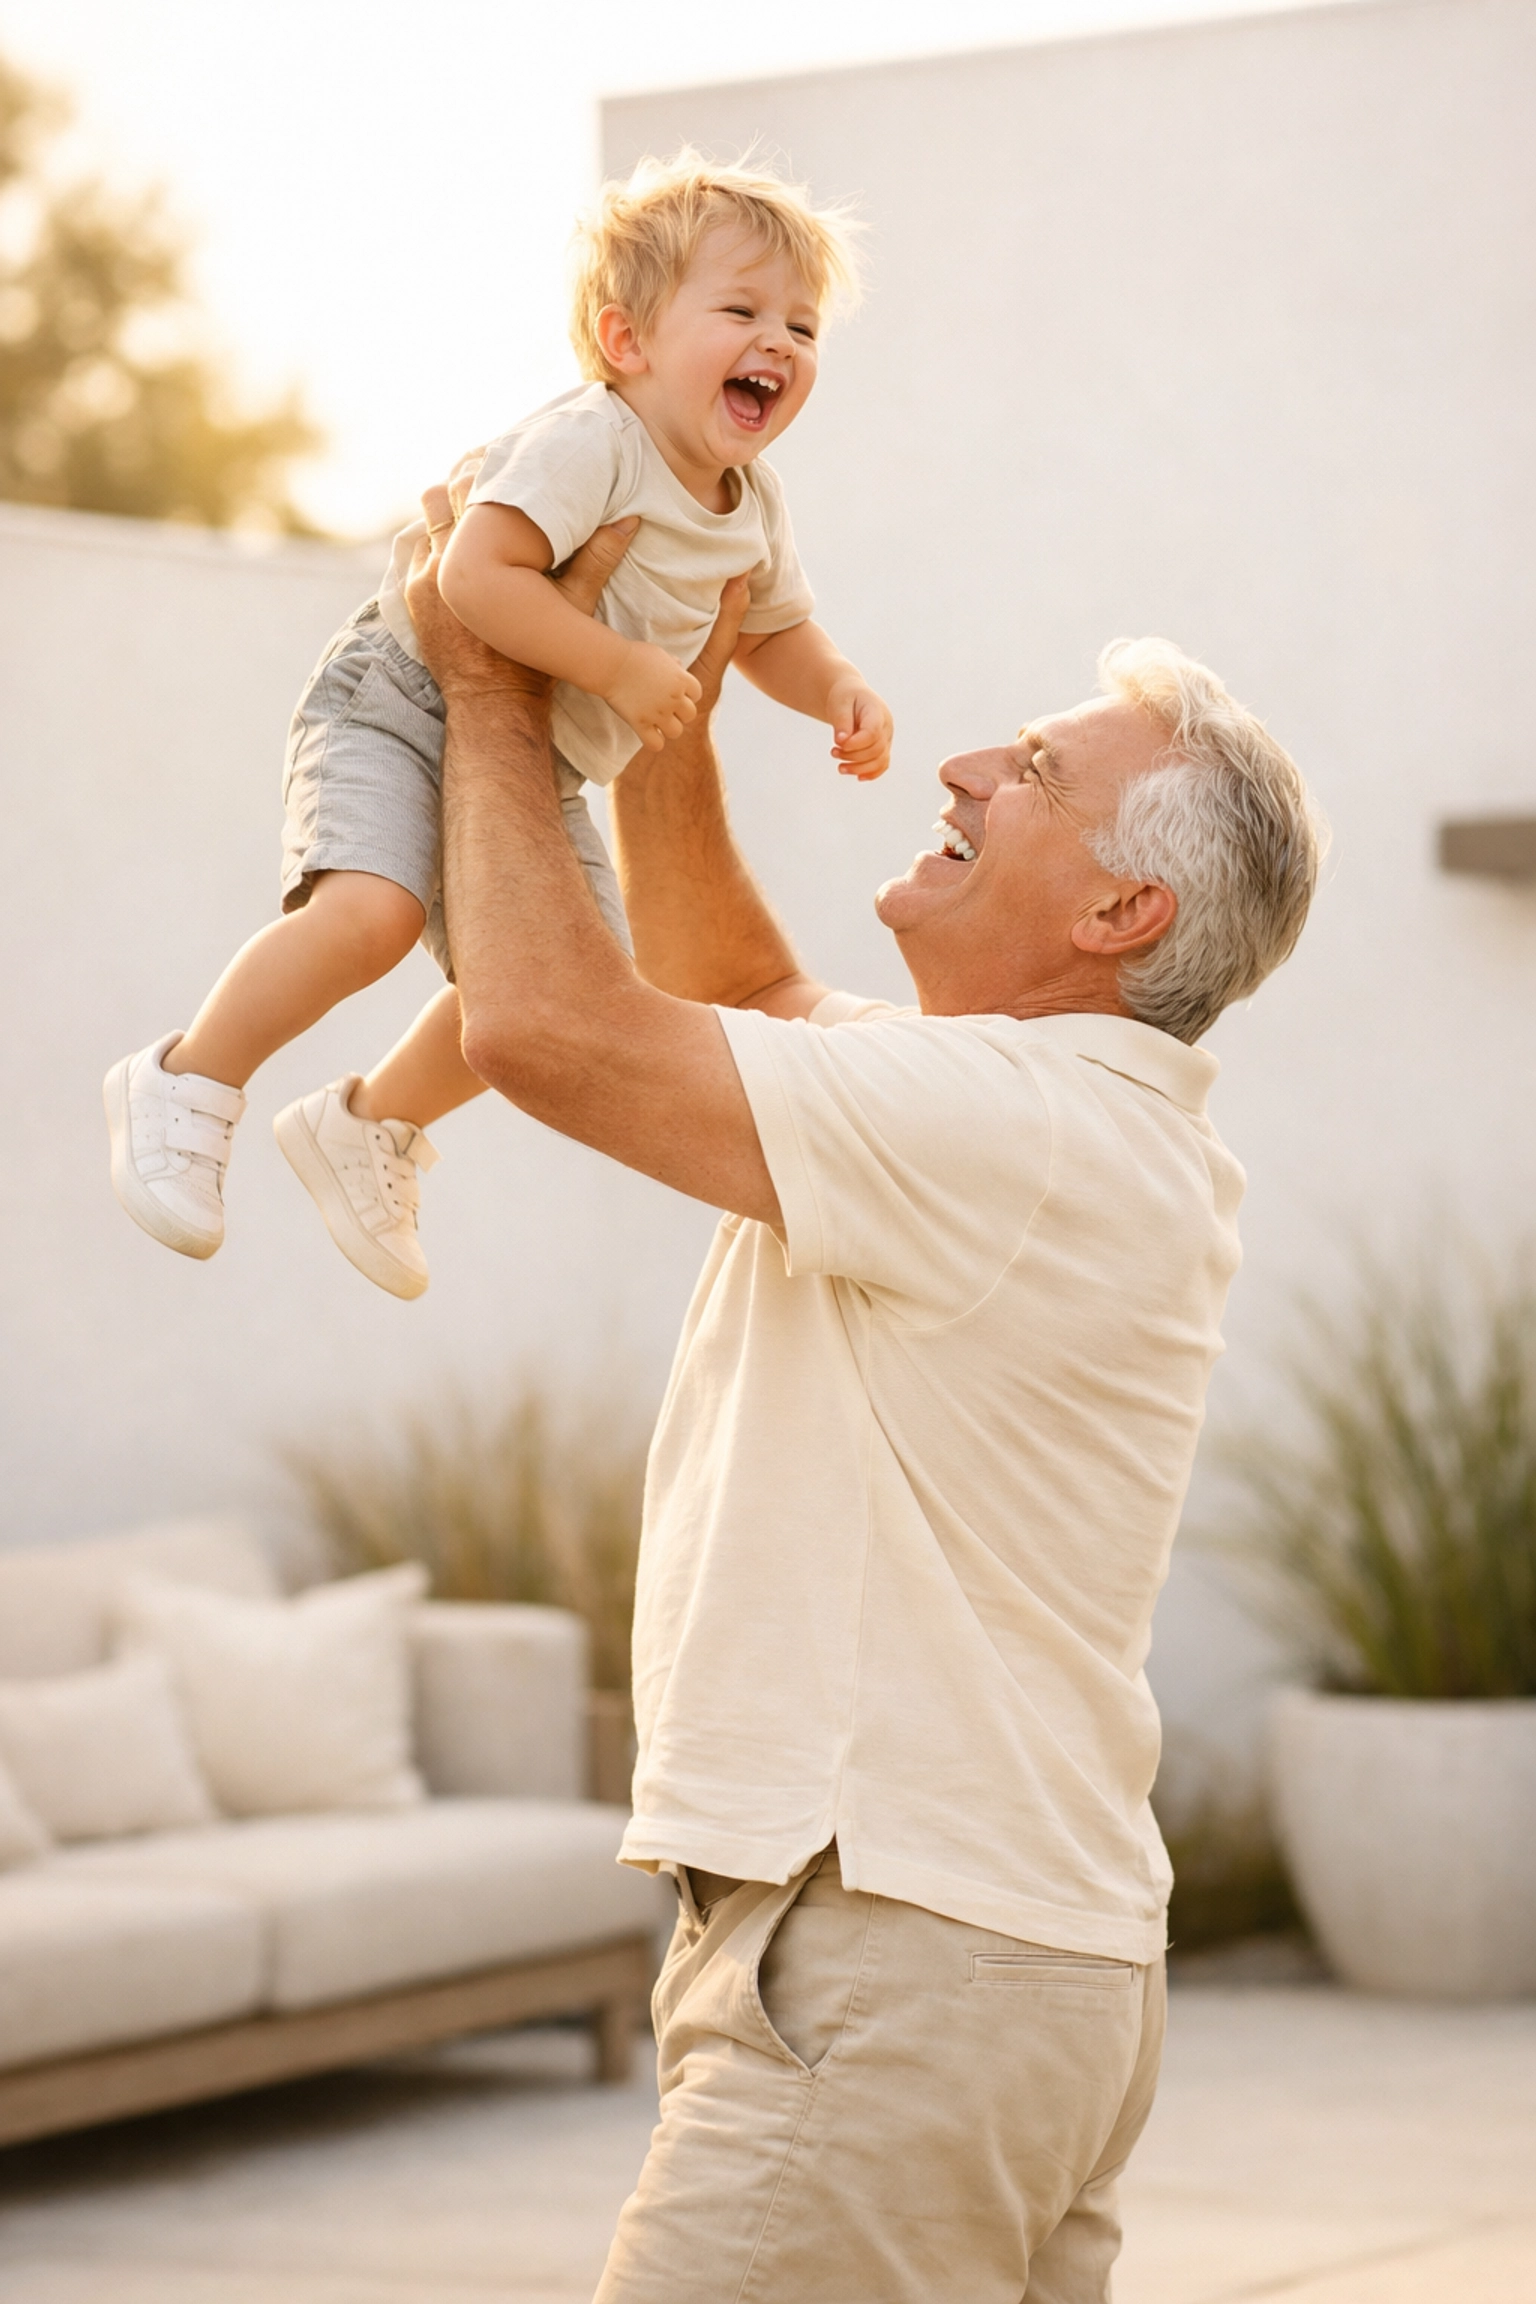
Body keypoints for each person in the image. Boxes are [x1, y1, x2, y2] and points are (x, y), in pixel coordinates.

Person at [399, 498, 1323, 2304]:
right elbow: (734, 987)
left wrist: (487, 677)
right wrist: (667, 697)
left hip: (903, 1967)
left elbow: (543, 1027)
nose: (967, 765)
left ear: (1120, 911)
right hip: (1000, 1975)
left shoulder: (1009, 1128)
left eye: (1036, 770)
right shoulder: (1035, 1110)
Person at [103, 153, 887, 1300]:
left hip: (537, 761)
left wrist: (840, 690)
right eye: (742, 312)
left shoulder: (753, 504)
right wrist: (619, 666)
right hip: (406, 697)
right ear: (626, 341)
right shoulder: (594, 441)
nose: (780, 341)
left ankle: (368, 1122)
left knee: (563, 985)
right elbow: (473, 577)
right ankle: (188, 1076)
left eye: (802, 326)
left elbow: (773, 632)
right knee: (370, 915)